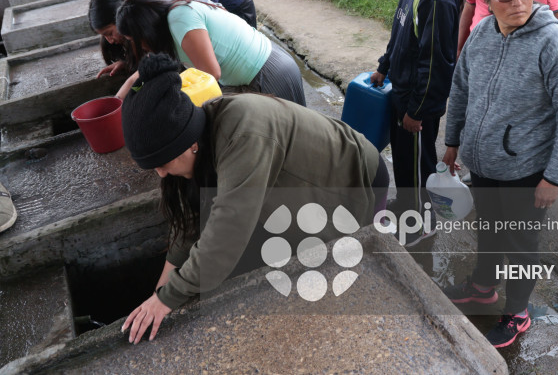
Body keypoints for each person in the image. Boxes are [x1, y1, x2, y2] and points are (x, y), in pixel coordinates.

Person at [119, 54, 388, 344]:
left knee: (347, 272)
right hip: (297, 185)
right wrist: (159, 294)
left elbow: (226, 235)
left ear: (190, 144)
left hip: (355, 177)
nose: (160, 174)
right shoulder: (199, 133)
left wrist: (168, 298)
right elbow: (189, 224)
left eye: (162, 163)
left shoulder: (244, 134)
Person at [441, 0, 558, 348]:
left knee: (522, 243)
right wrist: (452, 141)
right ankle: (483, 287)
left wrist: (553, 177)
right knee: (488, 229)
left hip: (526, 169)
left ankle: (518, 311)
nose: (518, 0)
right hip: (483, 161)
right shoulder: (483, 33)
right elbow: (461, 90)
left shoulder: (554, 42)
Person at [370, 0, 459, 246]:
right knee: (404, 160)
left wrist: (418, 112)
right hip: (401, 90)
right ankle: (407, 206)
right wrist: (384, 66)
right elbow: (400, 33)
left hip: (418, 103)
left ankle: (423, 224)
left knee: (420, 167)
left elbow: (437, 63)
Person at [115, 0, 306, 106]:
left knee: (293, 141)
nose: (138, 46)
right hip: (254, 75)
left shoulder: (179, 18)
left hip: (268, 73)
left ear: (145, 29)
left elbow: (210, 74)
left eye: (136, 40)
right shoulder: (170, 25)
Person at [89, 0, 220, 79]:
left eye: (110, 33)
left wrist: (129, 95)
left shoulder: (169, 20)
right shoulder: (141, 20)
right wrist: (125, 96)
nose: (110, 41)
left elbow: (211, 74)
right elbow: (145, 73)